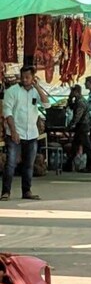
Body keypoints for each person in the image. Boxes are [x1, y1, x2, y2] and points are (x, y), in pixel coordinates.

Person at [1, 66, 49, 200]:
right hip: (15, 133)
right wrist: (14, 131)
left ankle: (26, 191)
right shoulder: (12, 91)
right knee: (10, 163)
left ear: (33, 78)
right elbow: (7, 113)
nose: (24, 79)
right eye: (23, 77)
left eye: (28, 77)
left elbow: (47, 105)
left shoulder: (35, 92)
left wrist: (38, 88)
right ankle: (6, 192)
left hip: (32, 134)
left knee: (29, 164)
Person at [65, 84, 91, 173]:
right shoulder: (77, 101)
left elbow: (77, 116)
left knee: (87, 146)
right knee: (75, 146)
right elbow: (71, 107)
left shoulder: (81, 102)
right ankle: (68, 165)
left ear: (76, 92)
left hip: (82, 126)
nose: (71, 93)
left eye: (72, 92)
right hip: (80, 126)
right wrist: (69, 98)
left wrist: (71, 125)